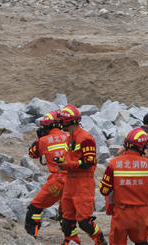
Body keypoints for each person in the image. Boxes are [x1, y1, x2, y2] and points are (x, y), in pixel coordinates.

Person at [99, 128, 148, 245]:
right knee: (141, 242)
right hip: (141, 214)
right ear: (142, 146)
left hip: (120, 214)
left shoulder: (114, 163)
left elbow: (104, 190)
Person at [57, 105, 107, 245]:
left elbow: (88, 162)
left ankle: (100, 241)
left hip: (83, 183)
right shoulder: (70, 137)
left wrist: (68, 164)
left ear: (69, 121)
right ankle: (71, 241)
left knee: (84, 221)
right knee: (66, 219)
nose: (60, 123)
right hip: (70, 181)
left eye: (62, 120)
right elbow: (69, 156)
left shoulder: (85, 138)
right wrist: (62, 161)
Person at [25, 110, 73, 240]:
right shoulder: (70, 136)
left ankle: (31, 238)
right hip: (73, 181)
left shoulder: (44, 140)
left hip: (57, 180)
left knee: (34, 208)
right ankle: (70, 240)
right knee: (65, 214)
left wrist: (38, 139)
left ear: (47, 126)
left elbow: (32, 154)